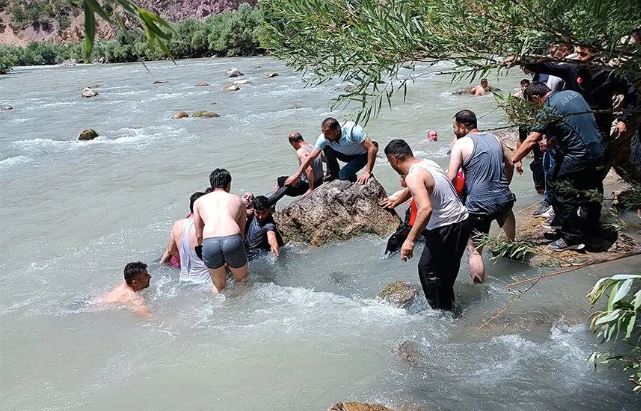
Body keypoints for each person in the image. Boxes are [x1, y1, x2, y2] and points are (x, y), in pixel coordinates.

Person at [512, 82, 604, 251]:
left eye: (533, 105)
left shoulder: (548, 107)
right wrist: (555, 138)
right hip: (597, 149)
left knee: (561, 192)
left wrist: (512, 160)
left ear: (536, 98)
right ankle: (592, 230)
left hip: (578, 155)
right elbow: (574, 121)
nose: (535, 109)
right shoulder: (572, 94)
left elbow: (531, 139)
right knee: (591, 190)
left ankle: (571, 238)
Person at [384, 139, 470, 311]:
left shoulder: (413, 176)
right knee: (446, 273)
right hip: (462, 221)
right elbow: (418, 187)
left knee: (427, 270)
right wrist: (398, 200)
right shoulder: (426, 163)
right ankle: (451, 309)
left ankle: (441, 316)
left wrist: (410, 240)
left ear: (394, 160)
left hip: (446, 225)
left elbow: (425, 209)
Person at [448, 110, 516, 283]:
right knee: (507, 212)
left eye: (454, 126)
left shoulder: (461, 144)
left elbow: (451, 177)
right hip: (504, 199)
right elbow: (510, 163)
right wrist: (504, 185)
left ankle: (480, 290)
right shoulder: (495, 138)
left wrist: (453, 202)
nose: (453, 130)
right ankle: (512, 246)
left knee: (474, 251)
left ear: (463, 127)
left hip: (479, 206)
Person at [193, 168, 248, 293]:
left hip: (210, 242)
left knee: (218, 285)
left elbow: (198, 234)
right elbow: (242, 232)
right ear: (228, 185)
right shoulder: (238, 200)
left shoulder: (199, 202)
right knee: (242, 280)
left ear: (211, 185)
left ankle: (220, 312)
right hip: (232, 238)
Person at [284, 117, 378, 185]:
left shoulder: (352, 130)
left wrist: (367, 172)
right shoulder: (324, 137)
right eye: (323, 133)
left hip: (362, 155)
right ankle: (334, 173)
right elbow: (311, 157)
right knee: (326, 146)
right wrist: (296, 175)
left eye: (328, 133)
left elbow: (372, 148)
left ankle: (358, 178)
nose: (325, 136)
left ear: (337, 131)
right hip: (345, 154)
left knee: (343, 175)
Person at [160, 192, 211, 284]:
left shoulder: (178, 224)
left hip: (183, 278)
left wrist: (186, 258)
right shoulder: (205, 227)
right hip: (205, 280)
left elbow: (171, 250)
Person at [267, 131, 324, 206]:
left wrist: (310, 188)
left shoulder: (300, 151)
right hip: (320, 180)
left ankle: (271, 206)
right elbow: (325, 160)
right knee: (290, 180)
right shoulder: (314, 147)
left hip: (308, 185)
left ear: (293, 143)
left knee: (279, 181)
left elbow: (309, 169)